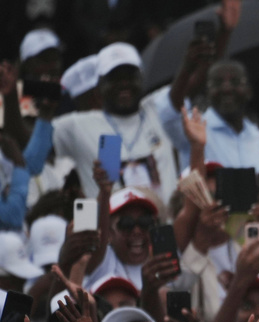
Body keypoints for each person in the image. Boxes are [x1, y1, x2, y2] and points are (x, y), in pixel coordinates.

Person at [52, 43, 177, 205]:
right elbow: (28, 148)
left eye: (130, 76)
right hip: (113, 227)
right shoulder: (79, 126)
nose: (124, 83)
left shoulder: (156, 108)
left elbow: (187, 85)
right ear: (99, 89)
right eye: (115, 78)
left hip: (167, 227)